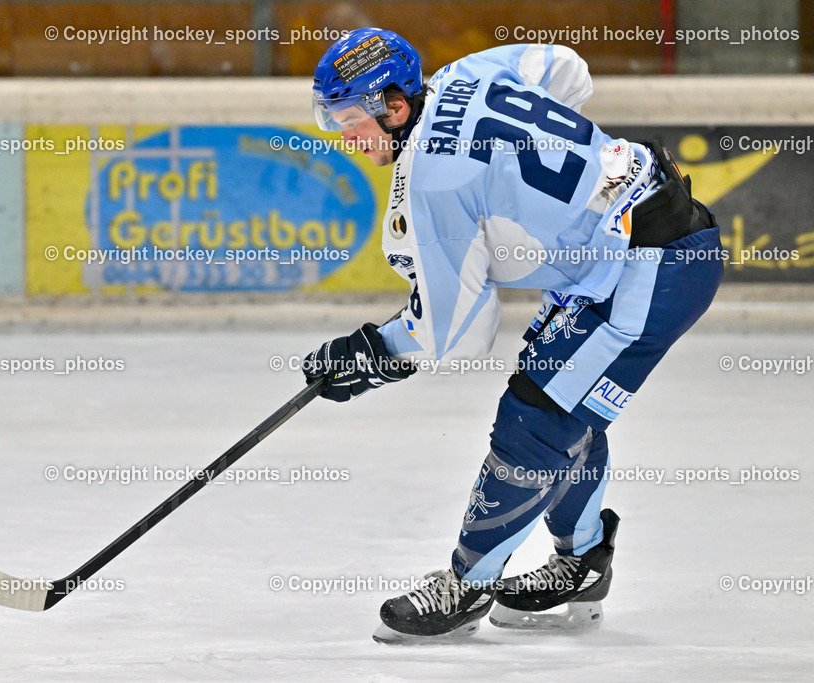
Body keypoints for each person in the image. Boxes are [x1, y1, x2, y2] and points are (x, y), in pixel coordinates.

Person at [303, 28, 723, 644]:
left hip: (646, 270)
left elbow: (457, 333)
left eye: (348, 120)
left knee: (537, 418)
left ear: (394, 106)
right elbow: (568, 70)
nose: (344, 137)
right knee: (566, 406)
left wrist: (368, 354)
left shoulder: (431, 185)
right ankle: (581, 563)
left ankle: (467, 585)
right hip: (648, 234)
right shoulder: (468, 72)